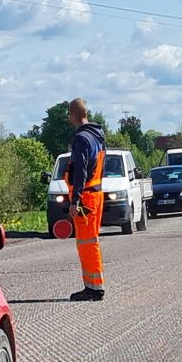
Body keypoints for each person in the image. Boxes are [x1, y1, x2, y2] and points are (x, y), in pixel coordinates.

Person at [65, 98, 107, 301]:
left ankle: (94, 287)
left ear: (72, 115)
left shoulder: (81, 138)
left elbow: (80, 172)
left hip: (87, 197)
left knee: (87, 242)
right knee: (91, 241)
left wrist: (75, 201)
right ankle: (93, 285)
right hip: (97, 194)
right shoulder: (97, 136)